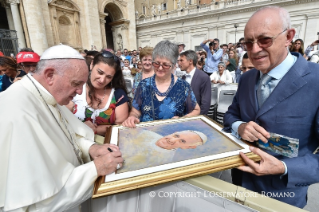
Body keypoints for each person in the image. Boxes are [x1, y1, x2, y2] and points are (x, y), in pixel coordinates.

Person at [0, 44, 123, 211]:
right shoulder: (17, 111)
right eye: (76, 83)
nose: (80, 92)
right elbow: (37, 204)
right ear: (50, 75)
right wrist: (95, 169)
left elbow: (67, 133)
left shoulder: (45, 93)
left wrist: (92, 148)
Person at [223, 6, 319, 208]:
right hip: (240, 185)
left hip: (283, 196)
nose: (255, 49)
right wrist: (239, 126)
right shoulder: (247, 78)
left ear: (288, 37)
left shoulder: (316, 80)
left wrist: (284, 167)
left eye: (264, 40)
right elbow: (231, 115)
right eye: (248, 42)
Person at [122, 40, 200, 128]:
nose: (160, 68)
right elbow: (135, 111)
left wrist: (182, 120)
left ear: (174, 65)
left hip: (173, 135)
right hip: (147, 135)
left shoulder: (183, 86)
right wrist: (132, 117)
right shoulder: (143, 85)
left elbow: (196, 110)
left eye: (165, 65)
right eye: (156, 63)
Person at [71, 52, 129, 136]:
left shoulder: (118, 95)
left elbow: (120, 126)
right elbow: (63, 118)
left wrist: (95, 129)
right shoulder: (75, 88)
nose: (102, 80)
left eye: (109, 77)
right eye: (100, 72)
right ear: (91, 65)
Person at [117, 129, 207, 174]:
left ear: (187, 147)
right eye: (176, 135)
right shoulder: (146, 133)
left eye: (182, 141)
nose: (171, 140)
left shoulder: (162, 162)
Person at [178, 50, 211, 115]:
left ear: (190, 61)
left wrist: (199, 119)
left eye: (181, 60)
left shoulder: (203, 77)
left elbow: (205, 103)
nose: (179, 63)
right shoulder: (183, 77)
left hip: (196, 117)